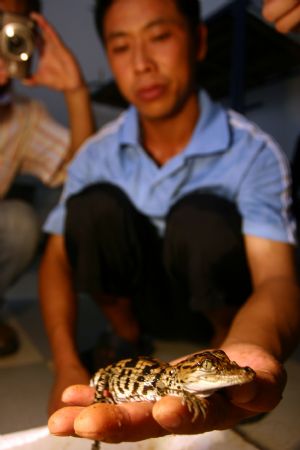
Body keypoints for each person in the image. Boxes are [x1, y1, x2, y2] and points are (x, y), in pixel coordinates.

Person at [43, 0, 300, 443]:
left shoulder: (255, 150)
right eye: (122, 47)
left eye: (160, 36)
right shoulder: (94, 154)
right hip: (135, 306)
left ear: (198, 41)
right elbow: (55, 262)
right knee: (91, 206)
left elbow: (277, 278)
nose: (142, 65)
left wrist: (251, 345)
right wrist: (66, 365)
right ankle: (126, 337)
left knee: (201, 216)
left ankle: (223, 345)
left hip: (219, 311)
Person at [0, 0, 94, 356]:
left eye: (10, 33)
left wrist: (75, 91)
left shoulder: (23, 116)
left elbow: (83, 174)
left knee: (20, 222)